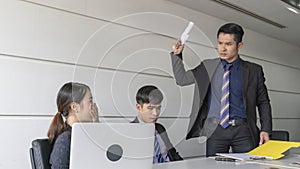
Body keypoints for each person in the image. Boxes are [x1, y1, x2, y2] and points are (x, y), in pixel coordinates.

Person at [170, 23, 272, 156]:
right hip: (215, 130)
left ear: (239, 45)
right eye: (220, 43)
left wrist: (265, 130)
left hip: (243, 130)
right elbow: (182, 79)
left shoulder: (254, 70)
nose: (223, 48)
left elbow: (263, 102)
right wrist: (177, 55)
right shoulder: (208, 66)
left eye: (228, 44)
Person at [47, 82, 99, 169]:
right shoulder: (65, 140)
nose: (93, 106)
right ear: (74, 107)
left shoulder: (82, 135)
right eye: (90, 101)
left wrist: (96, 127)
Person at [131, 85, 183, 163]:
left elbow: (173, 153)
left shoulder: (160, 128)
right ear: (139, 107)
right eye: (150, 108)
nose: (155, 113)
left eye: (158, 108)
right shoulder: (130, 131)